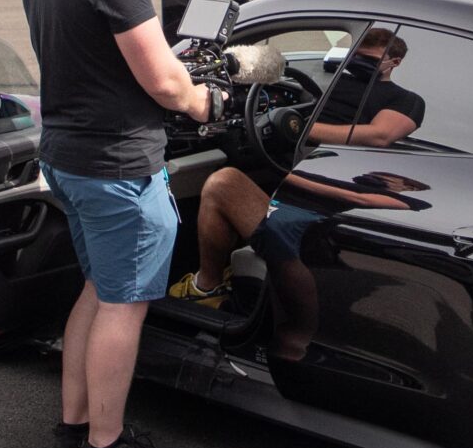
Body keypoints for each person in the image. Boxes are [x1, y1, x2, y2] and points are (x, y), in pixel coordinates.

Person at [21, 0, 213, 448]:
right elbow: (164, 80)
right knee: (125, 304)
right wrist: (204, 102)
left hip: (68, 156)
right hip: (118, 165)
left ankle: (72, 430)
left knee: (98, 290)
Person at [170, 27, 423, 305]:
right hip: (295, 181)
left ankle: (207, 288)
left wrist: (299, 129)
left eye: (369, 58)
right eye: (356, 54)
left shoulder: (406, 99)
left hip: (321, 209)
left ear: (394, 62)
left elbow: (380, 135)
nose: (358, 61)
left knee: (223, 183)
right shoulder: (333, 83)